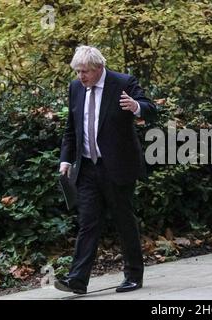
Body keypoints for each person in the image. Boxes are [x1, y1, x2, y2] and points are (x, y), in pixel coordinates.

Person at [55, 45, 157, 294]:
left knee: (124, 220)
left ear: (99, 67)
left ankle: (133, 276)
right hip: (88, 166)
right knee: (88, 221)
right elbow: (72, 127)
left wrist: (136, 107)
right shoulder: (76, 88)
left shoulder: (122, 82)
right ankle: (77, 280)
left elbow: (150, 108)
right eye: (77, 71)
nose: (81, 76)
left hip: (118, 166)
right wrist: (65, 160)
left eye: (85, 71)